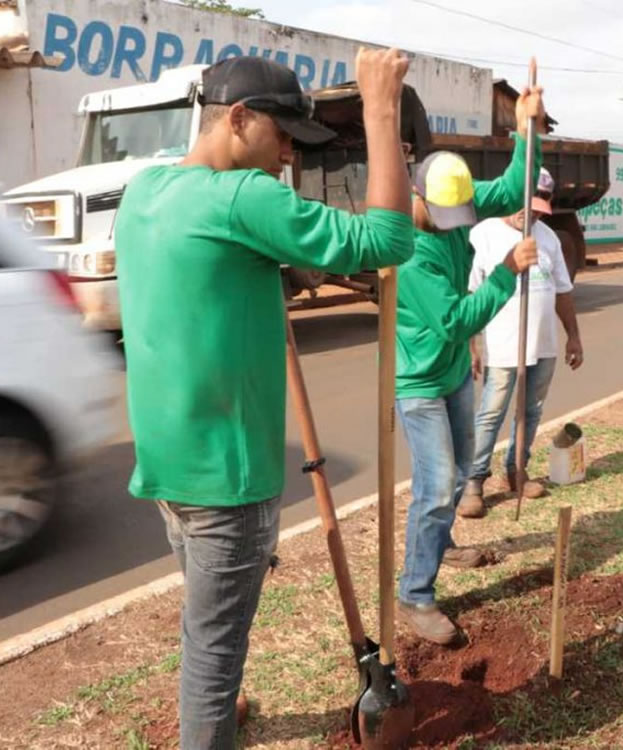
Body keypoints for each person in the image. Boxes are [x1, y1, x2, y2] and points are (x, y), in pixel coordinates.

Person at [114, 50, 414, 749]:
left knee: (203, 629)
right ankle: (207, 726)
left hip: (168, 468)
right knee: (212, 657)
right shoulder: (244, 200)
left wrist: (277, 276)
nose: (287, 154)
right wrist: (379, 109)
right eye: (281, 136)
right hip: (230, 483)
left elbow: (199, 283)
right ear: (238, 118)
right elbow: (389, 239)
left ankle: (214, 712)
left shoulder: (144, 192)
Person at [394, 86, 545, 646]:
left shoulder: (450, 195)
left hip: (454, 370)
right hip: (419, 382)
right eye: (442, 215)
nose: (454, 223)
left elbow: (511, 187)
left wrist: (527, 131)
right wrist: (507, 271)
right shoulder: (409, 251)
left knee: (458, 476)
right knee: (435, 487)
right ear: (417, 194)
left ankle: (441, 546)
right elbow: (456, 320)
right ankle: (414, 593)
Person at [458, 168, 583, 516]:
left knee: (530, 412)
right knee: (491, 413)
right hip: (501, 346)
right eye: (527, 206)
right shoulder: (483, 235)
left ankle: (516, 470)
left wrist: (573, 335)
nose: (533, 214)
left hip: (542, 346)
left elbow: (563, 291)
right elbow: (470, 294)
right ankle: (474, 481)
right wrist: (472, 346)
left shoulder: (549, 238)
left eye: (541, 208)